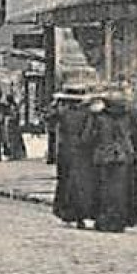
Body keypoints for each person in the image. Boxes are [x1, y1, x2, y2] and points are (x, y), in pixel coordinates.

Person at [87, 90, 137, 232]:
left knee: (103, 190)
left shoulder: (98, 117)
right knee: (121, 191)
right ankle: (119, 221)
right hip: (124, 156)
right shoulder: (129, 117)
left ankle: (104, 220)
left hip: (103, 156)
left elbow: (89, 137)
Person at [51, 90, 94, 228]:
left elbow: (49, 118)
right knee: (81, 184)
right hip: (83, 153)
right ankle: (80, 214)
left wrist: (55, 105)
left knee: (65, 181)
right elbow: (88, 135)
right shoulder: (88, 114)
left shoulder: (63, 113)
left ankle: (66, 211)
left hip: (65, 151)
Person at [2, 93, 29, 160]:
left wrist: (8, 118)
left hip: (12, 125)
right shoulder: (14, 106)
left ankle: (14, 154)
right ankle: (18, 154)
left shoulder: (11, 107)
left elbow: (13, 115)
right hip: (14, 125)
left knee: (13, 140)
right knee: (16, 139)